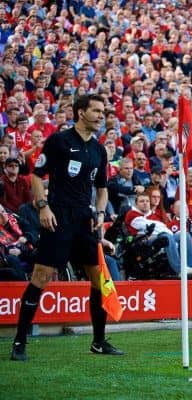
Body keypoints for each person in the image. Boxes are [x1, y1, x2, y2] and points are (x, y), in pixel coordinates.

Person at [11, 95, 124, 361]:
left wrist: (99, 212)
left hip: (84, 220)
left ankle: (98, 341)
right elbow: (37, 177)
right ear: (80, 112)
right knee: (41, 276)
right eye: (96, 110)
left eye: (102, 111)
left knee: (98, 279)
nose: (101, 115)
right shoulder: (59, 141)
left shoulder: (99, 150)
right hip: (58, 216)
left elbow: (103, 190)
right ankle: (19, 342)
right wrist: (43, 207)